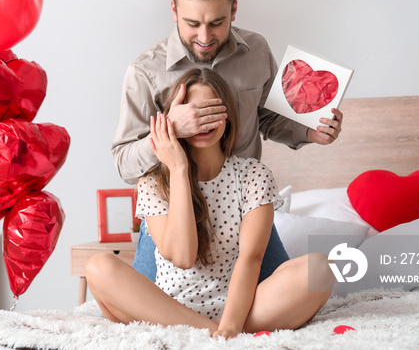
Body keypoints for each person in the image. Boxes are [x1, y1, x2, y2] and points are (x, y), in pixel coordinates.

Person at [111, 0, 343, 282]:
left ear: (234, 9)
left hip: (245, 211)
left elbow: (269, 120)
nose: (205, 36)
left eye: (217, 22)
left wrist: (310, 132)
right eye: (192, 23)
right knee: (144, 315)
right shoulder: (144, 72)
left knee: (303, 293)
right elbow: (124, 162)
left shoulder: (257, 51)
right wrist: (172, 129)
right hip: (174, 213)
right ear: (174, 10)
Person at [89, 69, 335, 339]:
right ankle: (207, 333)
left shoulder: (253, 175)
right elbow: (183, 257)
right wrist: (179, 168)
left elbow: (251, 259)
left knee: (321, 267)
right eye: (192, 113)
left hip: (240, 311)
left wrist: (230, 326)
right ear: (175, 120)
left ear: (228, 116)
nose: (201, 122)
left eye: (211, 111)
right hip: (166, 310)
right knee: (98, 267)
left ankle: (216, 333)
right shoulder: (151, 183)